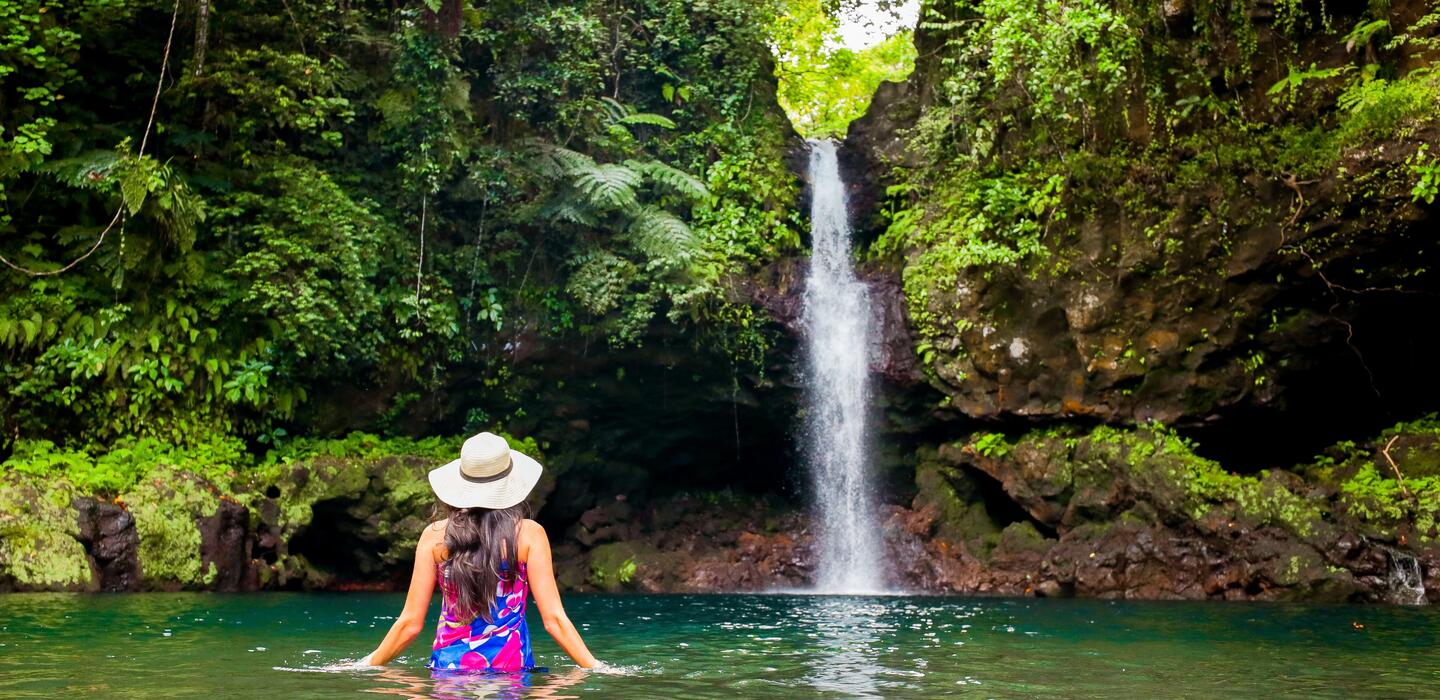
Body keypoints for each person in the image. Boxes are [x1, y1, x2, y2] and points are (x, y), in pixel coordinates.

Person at [359, 432, 601, 672]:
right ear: (509, 483)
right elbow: (554, 621)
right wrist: (596, 667)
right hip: (510, 673)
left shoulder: (434, 537)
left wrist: (366, 664)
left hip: (448, 672)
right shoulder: (529, 535)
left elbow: (410, 624)